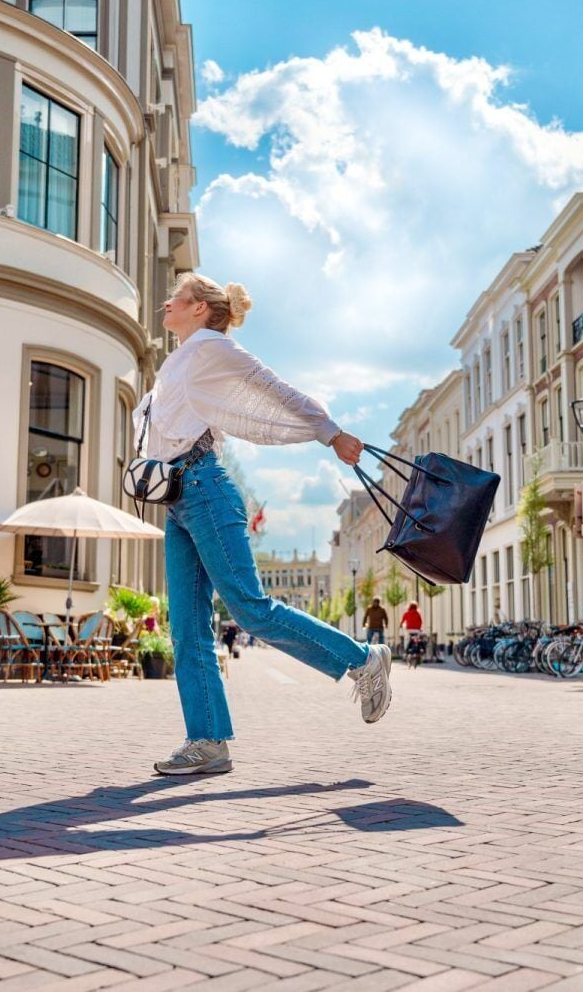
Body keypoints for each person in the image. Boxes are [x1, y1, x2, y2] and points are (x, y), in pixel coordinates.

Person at [138, 272, 393, 776]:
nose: (166, 301)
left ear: (199, 309)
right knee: (187, 629)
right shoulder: (179, 360)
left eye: (177, 297)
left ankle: (362, 659)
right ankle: (207, 741)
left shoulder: (213, 346)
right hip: (178, 499)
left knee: (250, 609)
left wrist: (330, 433)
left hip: (206, 489)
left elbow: (272, 388)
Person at [400, 601, 424, 667]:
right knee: (417, 640)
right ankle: (418, 653)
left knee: (407, 640)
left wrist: (400, 625)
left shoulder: (407, 613)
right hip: (417, 630)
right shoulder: (418, 613)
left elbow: (402, 621)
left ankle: (406, 652)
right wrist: (419, 628)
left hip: (409, 630)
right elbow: (421, 621)